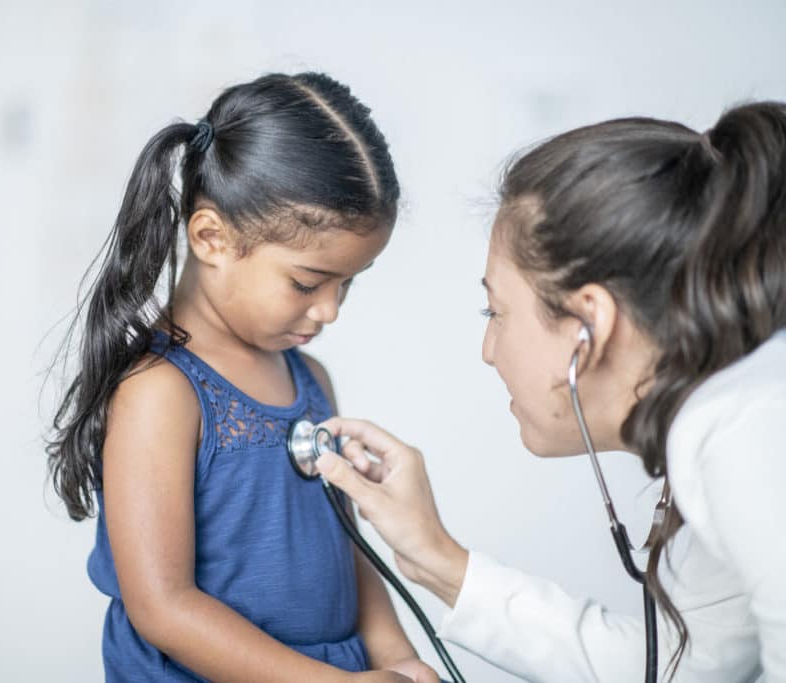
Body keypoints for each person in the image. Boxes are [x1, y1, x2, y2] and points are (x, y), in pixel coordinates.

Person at [316, 101, 786, 682]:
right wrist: (434, 554)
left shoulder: (746, 429)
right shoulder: (739, 421)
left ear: (589, 324)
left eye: (497, 310)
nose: (488, 350)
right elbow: (684, 670)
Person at [47, 72, 437, 683]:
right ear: (212, 239)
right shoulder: (160, 394)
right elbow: (163, 608)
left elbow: (348, 551)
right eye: (308, 283)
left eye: (348, 284)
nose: (331, 310)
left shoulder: (310, 379)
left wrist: (399, 661)